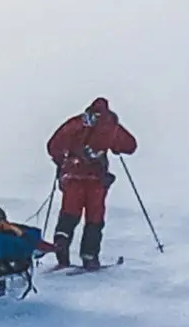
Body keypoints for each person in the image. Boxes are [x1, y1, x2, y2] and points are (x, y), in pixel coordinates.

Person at [46, 98, 138, 267]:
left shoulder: (77, 122)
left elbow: (53, 145)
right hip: (97, 178)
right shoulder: (111, 124)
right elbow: (130, 146)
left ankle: (61, 248)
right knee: (94, 218)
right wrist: (115, 145)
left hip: (73, 176)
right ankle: (90, 256)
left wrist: (60, 162)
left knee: (69, 214)